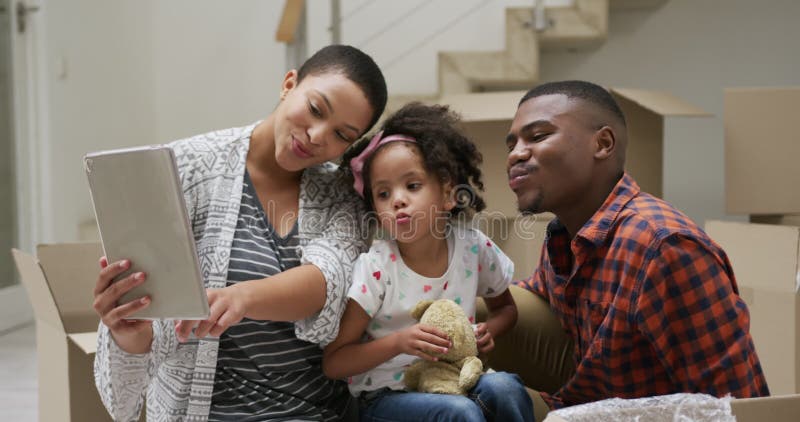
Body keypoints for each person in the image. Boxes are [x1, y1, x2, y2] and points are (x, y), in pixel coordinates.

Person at [91, 45, 388, 421]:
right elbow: (154, 322)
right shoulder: (186, 167)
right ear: (289, 83)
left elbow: (330, 278)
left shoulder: (344, 194)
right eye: (315, 109)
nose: (316, 136)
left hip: (315, 413)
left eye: (341, 135)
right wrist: (128, 329)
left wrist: (241, 297)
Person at [505, 80, 769, 420]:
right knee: (463, 316)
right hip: (582, 406)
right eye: (512, 143)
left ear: (602, 143)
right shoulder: (565, 235)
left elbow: (735, 404)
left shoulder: (664, 247)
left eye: (538, 136)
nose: (516, 154)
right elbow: (523, 304)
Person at [323, 103, 534, 422]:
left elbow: (506, 310)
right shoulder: (377, 266)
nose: (397, 200)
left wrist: (487, 331)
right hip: (385, 397)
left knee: (505, 387)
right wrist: (399, 342)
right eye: (382, 193)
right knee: (460, 413)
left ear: (448, 194)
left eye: (412, 185)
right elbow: (335, 361)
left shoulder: (472, 247)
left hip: (455, 379)